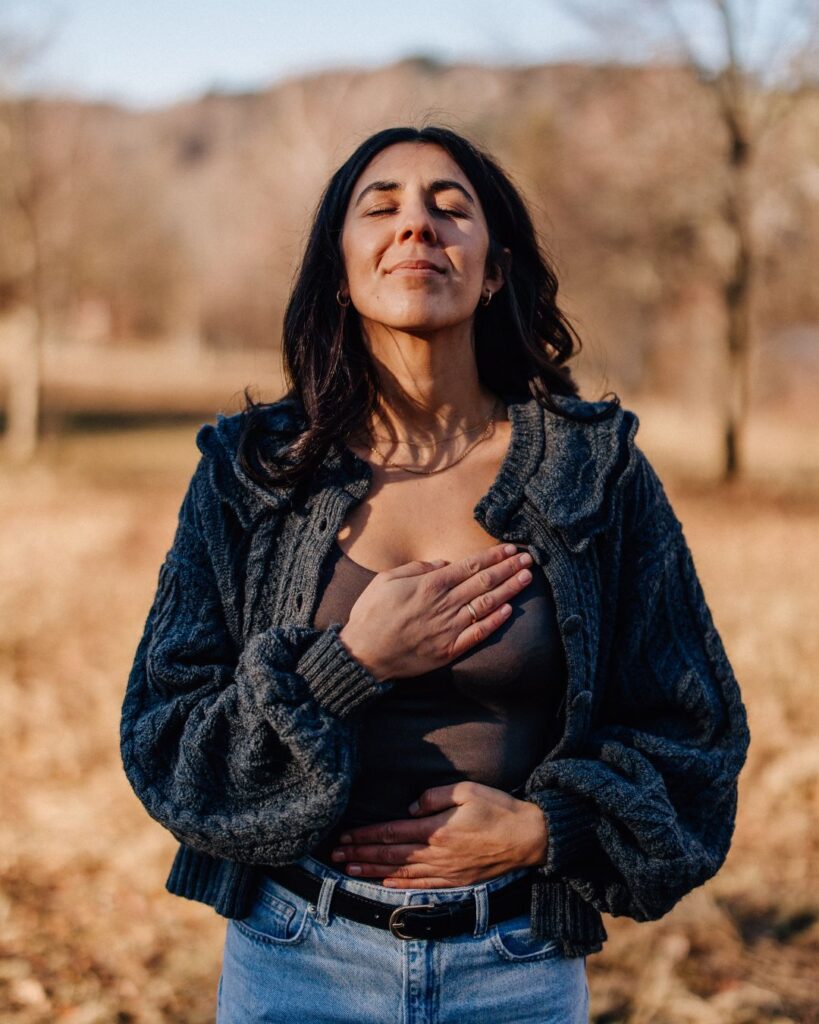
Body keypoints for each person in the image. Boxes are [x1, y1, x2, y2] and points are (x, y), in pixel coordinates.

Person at [120, 125, 750, 1023]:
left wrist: (549, 828)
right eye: (380, 208)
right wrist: (348, 667)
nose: (417, 226)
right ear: (340, 271)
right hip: (298, 963)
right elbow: (167, 743)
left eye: (450, 208)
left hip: (517, 967)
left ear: (491, 269)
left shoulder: (591, 470)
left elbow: (696, 734)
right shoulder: (253, 473)